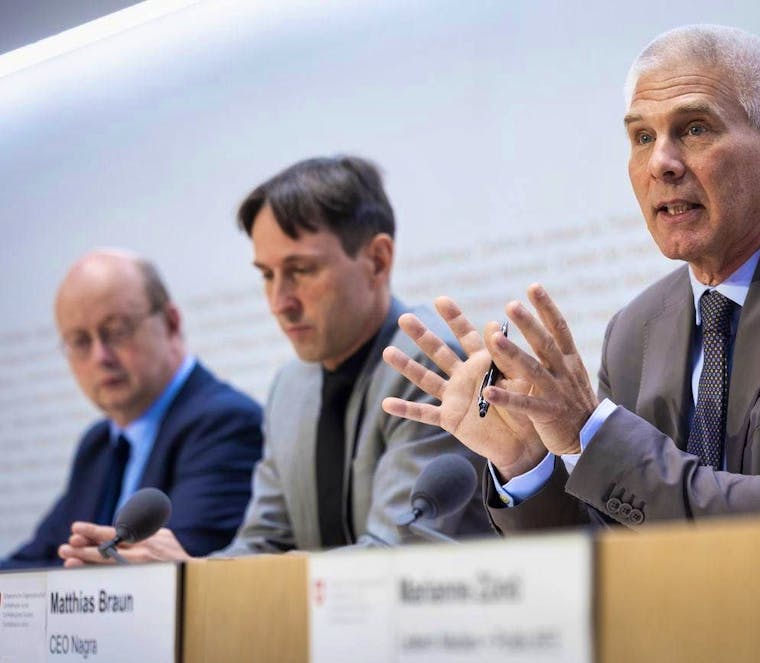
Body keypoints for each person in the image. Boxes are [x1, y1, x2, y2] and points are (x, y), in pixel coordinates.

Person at [381, 24, 760, 532]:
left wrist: (592, 432)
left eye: (694, 129)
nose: (660, 164)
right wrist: (526, 463)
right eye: (642, 137)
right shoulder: (636, 330)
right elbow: (608, 551)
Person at [59, 156, 490, 566]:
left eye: (300, 270)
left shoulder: (432, 366)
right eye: (267, 275)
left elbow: (397, 554)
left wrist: (207, 576)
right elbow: (262, 542)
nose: (279, 302)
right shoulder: (291, 387)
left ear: (377, 261)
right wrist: (189, 571)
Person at [1, 250, 263, 569]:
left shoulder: (225, 424)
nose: (100, 357)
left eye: (116, 331)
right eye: (80, 341)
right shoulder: (98, 444)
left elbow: (171, 564)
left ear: (171, 323)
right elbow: (40, 557)